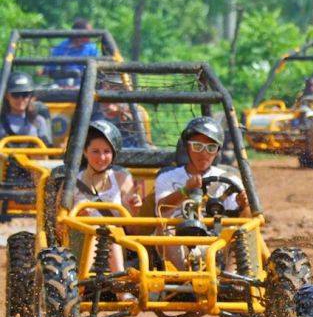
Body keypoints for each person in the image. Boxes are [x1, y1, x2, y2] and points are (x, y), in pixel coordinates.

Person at [155, 116, 250, 266]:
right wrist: (185, 191)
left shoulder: (229, 179)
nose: (204, 153)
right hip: (179, 239)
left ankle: (231, 280)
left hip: (218, 240)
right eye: (197, 146)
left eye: (211, 148)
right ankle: (183, 280)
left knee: (239, 231)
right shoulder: (168, 177)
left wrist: (244, 206)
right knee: (165, 225)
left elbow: (245, 222)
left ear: (218, 151)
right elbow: (161, 208)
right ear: (187, 147)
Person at [70, 120, 143, 297]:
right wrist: (79, 215)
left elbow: (131, 223)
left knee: (107, 231)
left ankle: (117, 288)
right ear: (85, 152)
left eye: (106, 152)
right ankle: (77, 290)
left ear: (113, 154)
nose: (101, 157)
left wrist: (134, 205)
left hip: (115, 238)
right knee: (98, 230)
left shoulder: (121, 177)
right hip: (78, 239)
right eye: (95, 151)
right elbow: (61, 219)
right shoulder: (71, 181)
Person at [0, 71, 52, 146]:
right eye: (16, 95)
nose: (21, 99)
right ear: (7, 96)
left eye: (25, 95)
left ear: (31, 96)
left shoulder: (38, 121)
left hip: (34, 157)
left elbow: (47, 151)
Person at [43, 19, 99, 83]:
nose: (90, 37)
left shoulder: (92, 48)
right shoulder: (62, 47)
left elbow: (98, 68)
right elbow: (49, 68)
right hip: (63, 86)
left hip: (85, 86)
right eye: (88, 34)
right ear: (79, 34)